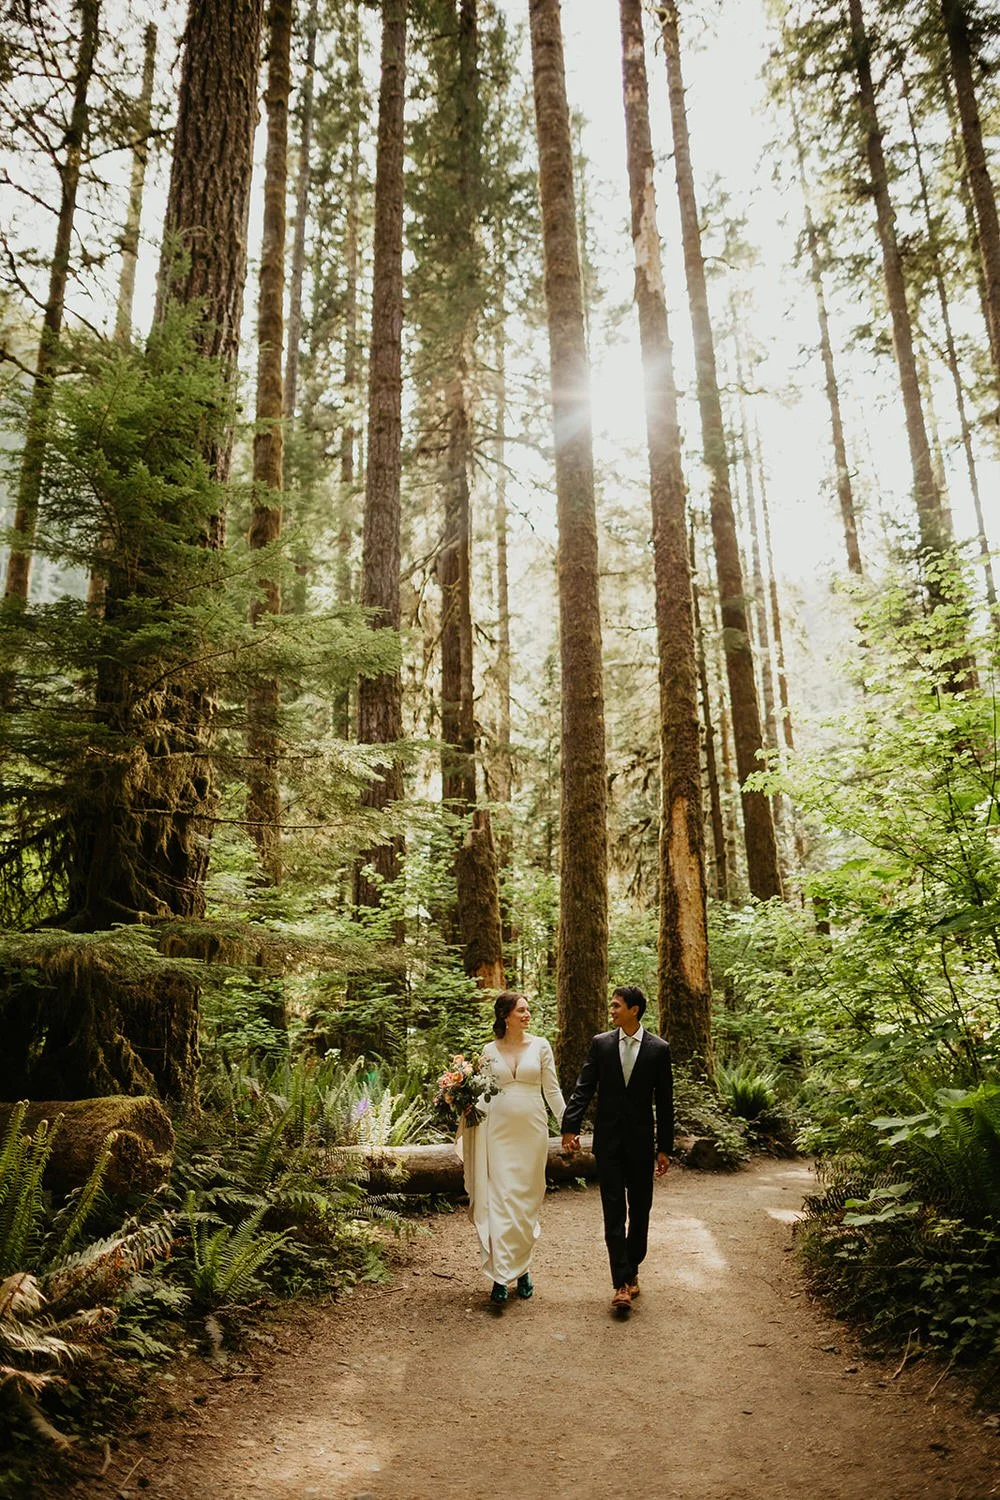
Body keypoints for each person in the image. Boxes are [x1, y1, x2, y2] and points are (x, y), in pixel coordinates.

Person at [561, 984, 673, 1314]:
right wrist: (570, 1125)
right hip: (607, 1142)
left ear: (634, 1010)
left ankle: (632, 1266)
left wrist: (664, 1148)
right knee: (613, 1211)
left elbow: (664, 1103)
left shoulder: (658, 1049)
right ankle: (621, 1284)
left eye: (617, 1005)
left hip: (641, 1143)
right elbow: (584, 1088)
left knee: (640, 1211)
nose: (612, 1010)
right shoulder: (601, 1044)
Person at [458, 992, 567, 1306]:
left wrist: (568, 1126)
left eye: (528, 1010)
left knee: (525, 1203)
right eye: (522, 1010)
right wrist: (464, 1106)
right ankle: (500, 1276)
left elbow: (553, 1090)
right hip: (498, 1133)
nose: (527, 1014)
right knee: (501, 1200)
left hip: (532, 1132)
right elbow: (481, 1093)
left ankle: (524, 1269)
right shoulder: (488, 1050)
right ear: (505, 1015)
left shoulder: (541, 1046)